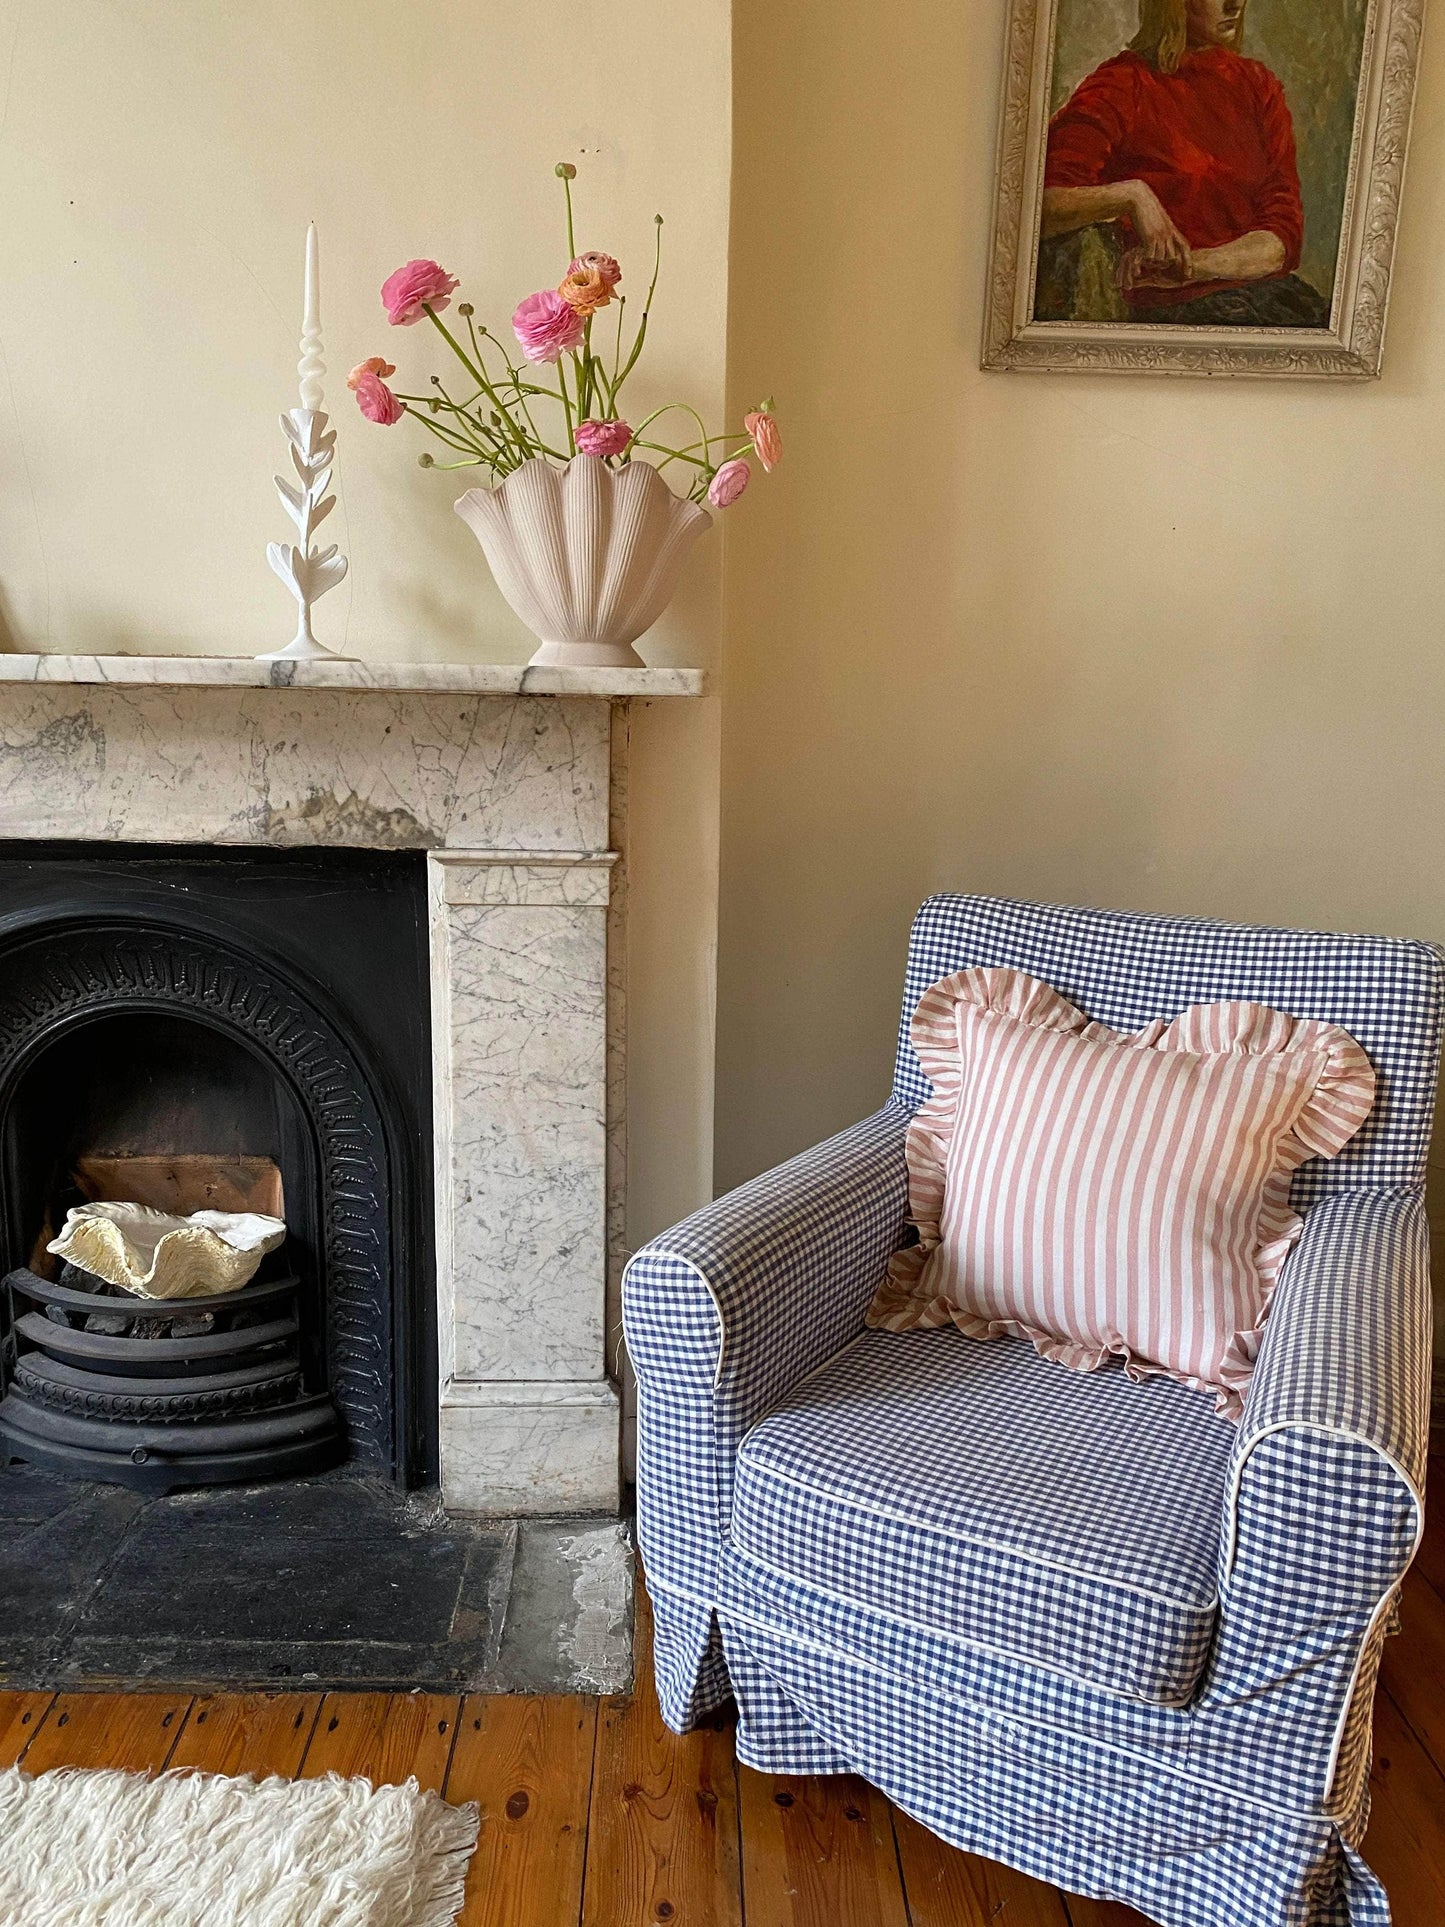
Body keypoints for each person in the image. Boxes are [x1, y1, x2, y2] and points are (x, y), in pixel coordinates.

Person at [1038, 0, 1329, 325]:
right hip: (1178, 317)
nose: (1235, 4)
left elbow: (1282, 238)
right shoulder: (1121, 86)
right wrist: (1134, 195)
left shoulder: (1258, 86)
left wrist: (1192, 266)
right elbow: (1039, 205)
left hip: (1271, 299)